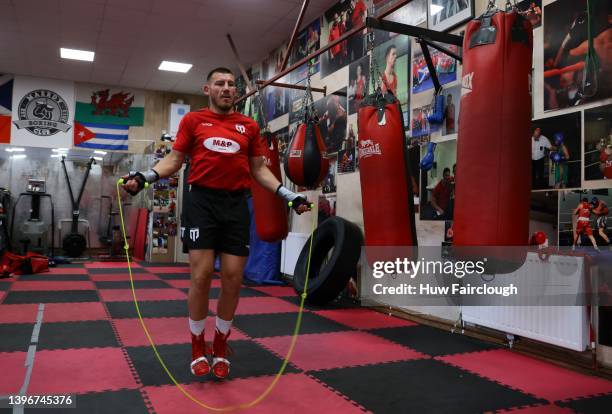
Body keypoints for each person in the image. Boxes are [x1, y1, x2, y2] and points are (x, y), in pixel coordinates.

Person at [121, 67, 311, 380]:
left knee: (234, 277)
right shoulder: (193, 121)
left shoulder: (248, 126)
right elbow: (174, 160)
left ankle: (221, 342)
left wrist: (289, 195)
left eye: (231, 84)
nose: (227, 88)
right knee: (202, 274)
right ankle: (198, 343)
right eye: (220, 84)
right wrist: (144, 177)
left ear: (236, 91)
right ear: (207, 89)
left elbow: (259, 170)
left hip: (236, 204)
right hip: (202, 203)